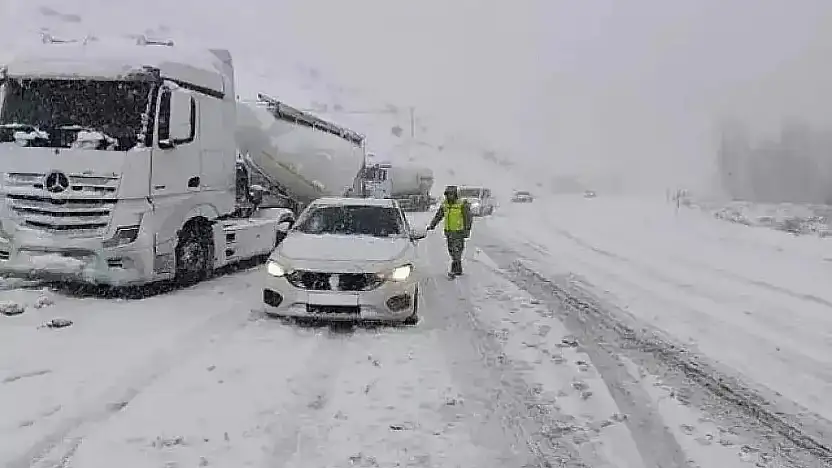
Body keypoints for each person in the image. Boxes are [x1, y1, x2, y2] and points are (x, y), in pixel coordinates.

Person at [427, 185, 473, 276]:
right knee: (451, 250)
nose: (449, 196)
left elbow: (468, 218)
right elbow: (439, 216)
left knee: (457, 250)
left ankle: (454, 269)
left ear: (455, 195)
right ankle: (458, 267)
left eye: (451, 194)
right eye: (447, 194)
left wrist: (467, 230)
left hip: (459, 232)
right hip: (449, 232)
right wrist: (432, 225)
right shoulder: (445, 205)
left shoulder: (462, 204)